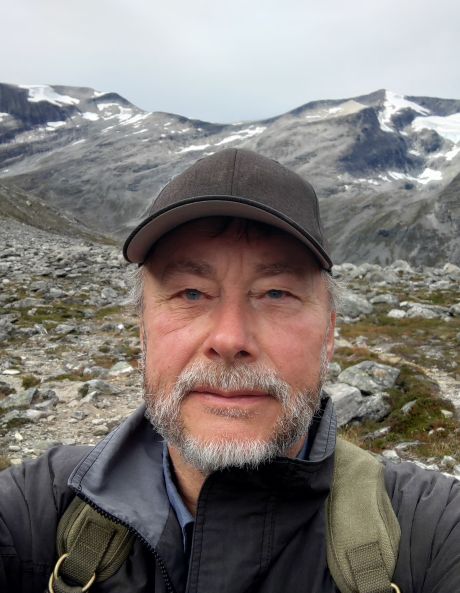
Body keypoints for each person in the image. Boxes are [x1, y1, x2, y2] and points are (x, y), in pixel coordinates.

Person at [0, 148, 459, 593]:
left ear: (329, 334)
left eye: (276, 293)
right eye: (191, 293)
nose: (229, 339)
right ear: (142, 329)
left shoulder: (432, 528)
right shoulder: (35, 508)